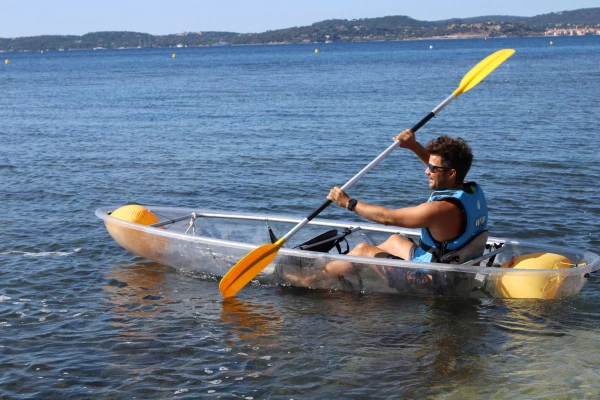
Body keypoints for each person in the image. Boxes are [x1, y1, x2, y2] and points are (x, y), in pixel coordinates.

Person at [326, 128, 488, 268]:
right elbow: (442, 169)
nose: (427, 171)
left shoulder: (440, 209)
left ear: (452, 173)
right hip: (443, 262)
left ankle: (312, 278)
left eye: (432, 169)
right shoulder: (472, 190)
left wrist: (348, 202)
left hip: (430, 278)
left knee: (363, 250)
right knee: (394, 241)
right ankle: (348, 270)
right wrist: (413, 146)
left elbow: (388, 218)